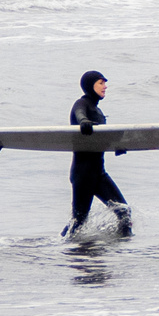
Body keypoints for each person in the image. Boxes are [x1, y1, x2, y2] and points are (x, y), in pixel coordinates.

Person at [64, 70, 132, 238]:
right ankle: (63, 248)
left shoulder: (99, 112)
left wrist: (116, 146)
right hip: (83, 173)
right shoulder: (82, 104)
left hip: (99, 173)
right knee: (79, 221)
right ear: (90, 86)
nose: (105, 86)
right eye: (101, 83)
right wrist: (83, 121)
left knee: (123, 211)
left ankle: (122, 246)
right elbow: (79, 114)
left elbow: (100, 138)